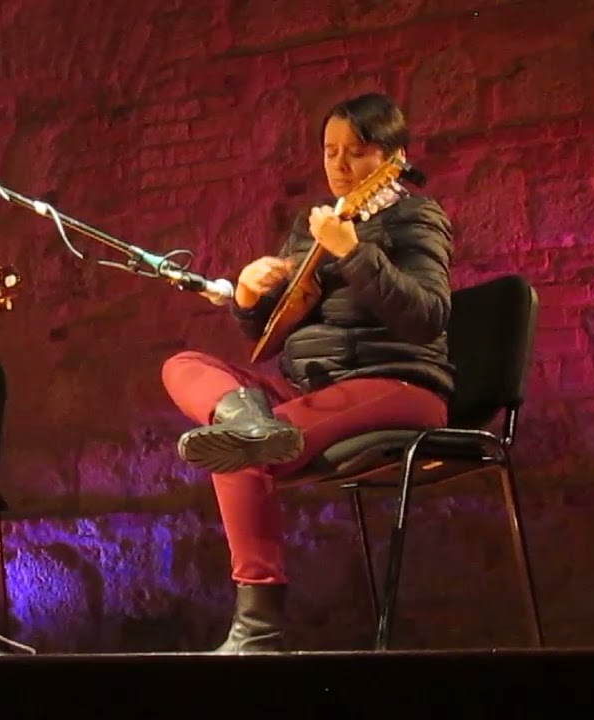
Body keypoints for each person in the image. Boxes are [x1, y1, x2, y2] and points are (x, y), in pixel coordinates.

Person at [160, 93, 455, 653]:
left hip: (397, 382)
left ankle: (258, 629)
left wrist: (352, 253)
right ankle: (252, 426)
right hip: (314, 389)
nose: (340, 167)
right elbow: (268, 336)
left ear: (392, 158)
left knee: (237, 449)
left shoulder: (417, 215)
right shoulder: (310, 224)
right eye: (330, 152)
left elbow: (427, 318)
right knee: (186, 367)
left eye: (357, 152)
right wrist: (248, 295)